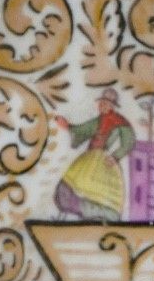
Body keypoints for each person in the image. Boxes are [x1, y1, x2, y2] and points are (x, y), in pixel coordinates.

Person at [56, 89, 136, 219]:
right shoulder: (99, 120)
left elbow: (129, 141)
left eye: (105, 103)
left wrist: (115, 156)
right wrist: (68, 126)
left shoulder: (121, 122)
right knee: (68, 185)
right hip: (90, 158)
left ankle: (96, 217)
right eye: (101, 102)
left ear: (112, 106)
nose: (101, 105)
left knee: (97, 192)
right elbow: (84, 130)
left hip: (105, 162)